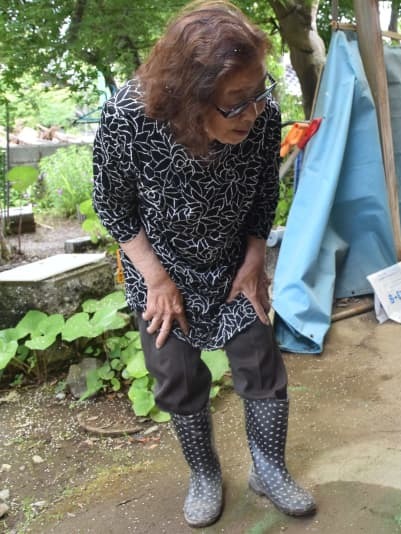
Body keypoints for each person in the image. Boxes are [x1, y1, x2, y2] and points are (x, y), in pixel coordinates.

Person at [92, 1, 315, 527]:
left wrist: (256, 259)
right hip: (161, 266)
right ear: (190, 100)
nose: (256, 111)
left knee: (260, 358)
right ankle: (205, 474)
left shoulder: (259, 110)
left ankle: (269, 468)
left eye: (257, 93)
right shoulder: (130, 114)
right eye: (236, 102)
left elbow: (264, 189)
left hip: (234, 258)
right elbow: (111, 204)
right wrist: (157, 278)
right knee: (175, 372)